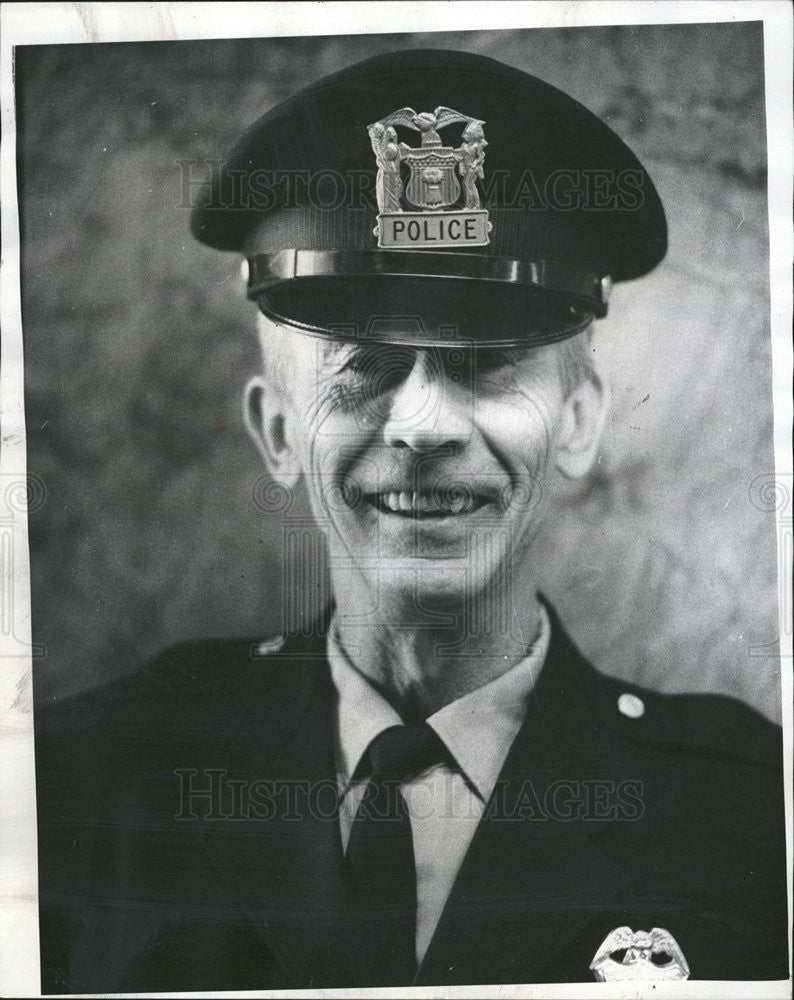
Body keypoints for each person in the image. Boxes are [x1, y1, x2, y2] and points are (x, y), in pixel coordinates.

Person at [35, 48, 787, 993]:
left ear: (583, 420)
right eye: (362, 367)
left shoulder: (749, 815)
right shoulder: (90, 783)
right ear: (277, 431)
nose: (424, 424)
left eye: (492, 362)